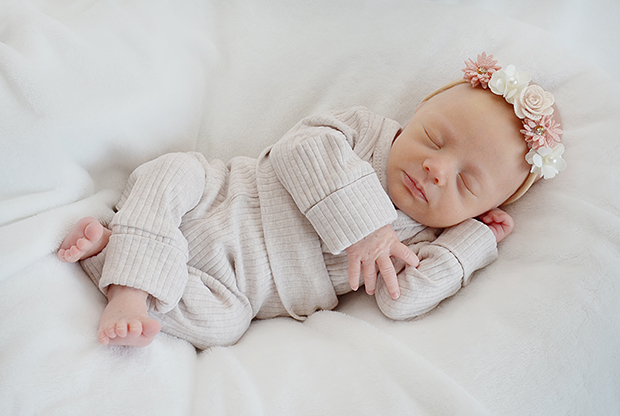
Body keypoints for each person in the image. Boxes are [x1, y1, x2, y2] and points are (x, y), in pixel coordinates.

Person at [58, 53, 566, 350]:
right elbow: (299, 148)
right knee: (173, 171)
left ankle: (112, 253)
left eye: (466, 183)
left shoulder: (429, 240)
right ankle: (131, 289)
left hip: (239, 286)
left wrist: (471, 243)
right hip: (217, 196)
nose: (437, 168)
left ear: (481, 209)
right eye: (434, 138)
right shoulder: (366, 132)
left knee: (222, 325)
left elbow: (401, 300)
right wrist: (367, 226)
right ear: (417, 113)